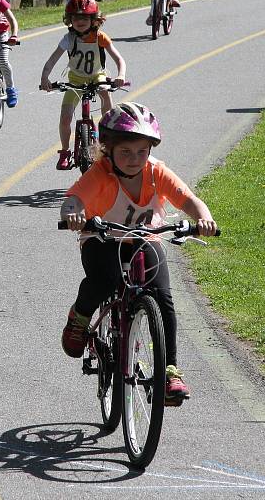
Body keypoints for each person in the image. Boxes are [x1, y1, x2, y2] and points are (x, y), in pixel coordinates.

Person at [59, 102, 218, 403]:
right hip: (102, 239)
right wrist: (73, 215)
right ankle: (79, 318)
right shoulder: (101, 174)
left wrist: (204, 218)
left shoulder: (157, 172)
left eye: (141, 152)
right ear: (108, 149)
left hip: (146, 239)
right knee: (104, 281)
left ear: (150, 150)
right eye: (126, 152)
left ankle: (170, 370)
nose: (135, 159)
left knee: (162, 296)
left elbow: (189, 200)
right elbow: (74, 199)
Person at [40, 0, 126, 170]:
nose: (80, 21)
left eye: (85, 17)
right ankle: (65, 151)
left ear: (94, 19)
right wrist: (45, 78)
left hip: (97, 76)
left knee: (104, 91)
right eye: (76, 17)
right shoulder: (68, 39)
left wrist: (120, 75)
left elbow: (119, 60)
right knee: (65, 117)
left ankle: (107, 132)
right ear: (69, 19)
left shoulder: (100, 37)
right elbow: (51, 61)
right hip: (75, 80)